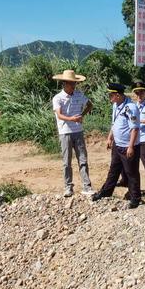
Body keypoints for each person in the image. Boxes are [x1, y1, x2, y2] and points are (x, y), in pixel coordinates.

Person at [92, 83, 141, 209]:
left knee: (131, 173)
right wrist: (109, 138)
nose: (109, 97)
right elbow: (114, 123)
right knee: (113, 170)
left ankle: (135, 198)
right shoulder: (116, 105)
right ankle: (106, 192)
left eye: (111, 95)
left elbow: (135, 129)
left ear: (118, 95)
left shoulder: (131, 108)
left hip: (127, 146)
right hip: (117, 145)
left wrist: (131, 147)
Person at [52, 69, 94, 197]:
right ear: (64, 83)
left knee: (83, 159)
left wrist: (82, 115)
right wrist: (73, 119)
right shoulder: (58, 98)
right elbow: (59, 115)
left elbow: (90, 105)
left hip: (78, 131)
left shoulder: (79, 94)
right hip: (65, 132)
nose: (73, 85)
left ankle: (86, 186)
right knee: (66, 161)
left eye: (74, 83)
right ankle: (68, 187)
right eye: (70, 83)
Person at [117, 81, 145, 196]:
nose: (139, 96)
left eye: (141, 93)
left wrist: (142, 121)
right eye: (136, 93)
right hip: (134, 139)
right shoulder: (132, 106)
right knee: (131, 163)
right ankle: (131, 187)